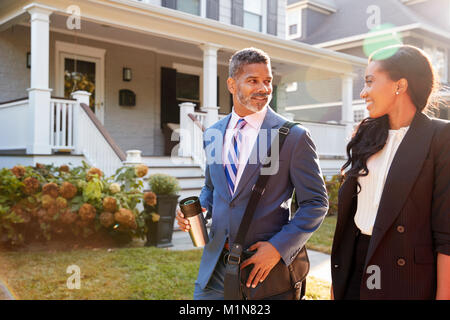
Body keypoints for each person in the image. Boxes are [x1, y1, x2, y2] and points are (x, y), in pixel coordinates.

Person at [176, 47, 329, 300]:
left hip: (265, 271)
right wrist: (198, 209)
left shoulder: (294, 137)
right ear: (232, 84)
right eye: (253, 81)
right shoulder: (213, 133)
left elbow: (315, 203)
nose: (263, 88)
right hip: (214, 268)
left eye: (267, 81)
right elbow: (212, 188)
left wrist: (278, 248)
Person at [331, 45, 450, 300]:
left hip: (406, 276)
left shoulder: (440, 137)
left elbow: (447, 232)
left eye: (370, 81)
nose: (363, 93)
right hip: (356, 261)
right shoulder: (366, 134)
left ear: (400, 85)